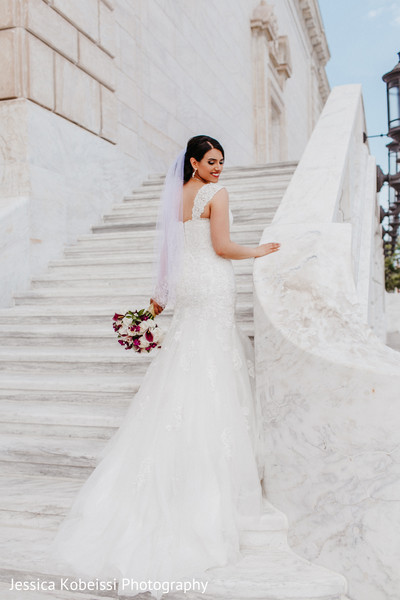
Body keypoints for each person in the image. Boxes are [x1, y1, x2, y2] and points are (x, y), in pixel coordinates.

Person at [49, 135, 280, 599]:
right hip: (211, 287)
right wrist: (260, 251)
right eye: (211, 162)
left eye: (221, 163)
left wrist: (153, 308)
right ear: (193, 162)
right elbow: (222, 247)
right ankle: (209, 483)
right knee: (214, 365)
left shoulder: (175, 198)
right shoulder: (217, 196)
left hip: (186, 289)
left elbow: (166, 257)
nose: (218, 169)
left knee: (188, 365)